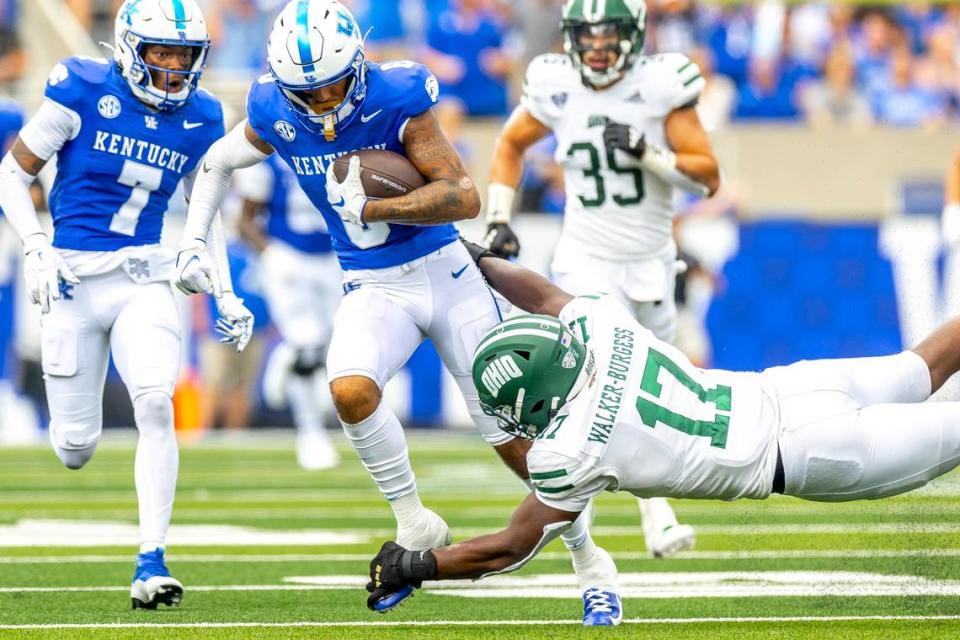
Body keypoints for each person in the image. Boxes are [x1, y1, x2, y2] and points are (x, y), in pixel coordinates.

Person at [174, 0, 622, 625]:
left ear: (357, 62)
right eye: (309, 91)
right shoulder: (274, 105)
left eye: (333, 83)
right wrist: (195, 242)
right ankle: (415, 520)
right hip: (373, 284)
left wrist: (379, 208)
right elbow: (217, 163)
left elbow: (463, 196)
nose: (325, 102)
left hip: (449, 275)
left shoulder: (396, 96)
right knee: (351, 391)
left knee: (520, 441)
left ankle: (590, 560)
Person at [366, 240, 960, 623]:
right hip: (791, 388)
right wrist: (475, 255)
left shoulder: (569, 451)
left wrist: (419, 567)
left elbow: (509, 548)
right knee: (928, 362)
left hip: (812, 454)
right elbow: (545, 295)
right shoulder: (602, 328)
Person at [0, 0, 253, 610]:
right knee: (74, 447)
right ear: (129, 48)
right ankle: (81, 446)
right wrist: (34, 244)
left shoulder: (201, 115)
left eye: (183, 56)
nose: (172, 67)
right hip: (71, 281)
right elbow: (12, 173)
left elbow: (204, 206)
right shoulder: (80, 86)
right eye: (160, 53)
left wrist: (222, 287)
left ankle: (151, 560)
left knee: (156, 404)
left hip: (144, 279)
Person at [483, 0, 719, 561]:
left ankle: (646, 503)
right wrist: (498, 216)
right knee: (595, 380)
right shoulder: (555, 82)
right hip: (584, 260)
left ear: (634, 35)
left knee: (659, 386)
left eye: (607, 35)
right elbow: (512, 143)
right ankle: (611, 524)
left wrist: (649, 155)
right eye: (585, 36)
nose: (594, 47)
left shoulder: (662, 83)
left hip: (651, 261)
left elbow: (706, 179)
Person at [235, 155, 342, 470]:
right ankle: (311, 433)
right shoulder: (268, 152)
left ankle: (287, 354)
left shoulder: (341, 138)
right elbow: (244, 220)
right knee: (307, 340)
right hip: (289, 257)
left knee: (337, 344)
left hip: (337, 256)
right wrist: (270, 254)